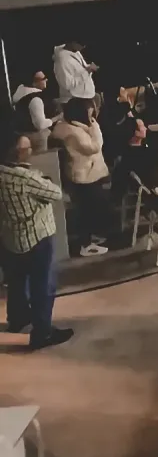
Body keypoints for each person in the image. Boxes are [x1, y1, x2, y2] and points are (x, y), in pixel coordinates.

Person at [0, 131, 73, 349]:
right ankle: (42, 333)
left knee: (16, 281)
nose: (31, 151)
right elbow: (55, 193)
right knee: (43, 285)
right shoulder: (24, 178)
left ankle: (18, 318)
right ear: (18, 153)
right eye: (27, 148)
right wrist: (39, 177)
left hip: (10, 236)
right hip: (37, 235)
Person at [50, 98, 111, 256]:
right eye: (89, 112)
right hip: (85, 175)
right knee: (87, 210)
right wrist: (95, 127)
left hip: (81, 172)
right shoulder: (74, 132)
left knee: (89, 208)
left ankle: (90, 239)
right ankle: (86, 245)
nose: (92, 115)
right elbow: (94, 147)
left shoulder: (66, 126)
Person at [52, 40, 97, 105]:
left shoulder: (74, 51)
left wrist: (89, 67)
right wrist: (87, 72)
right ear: (73, 42)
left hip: (85, 98)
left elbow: (79, 70)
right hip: (75, 101)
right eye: (82, 44)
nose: (84, 47)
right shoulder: (62, 60)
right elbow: (67, 84)